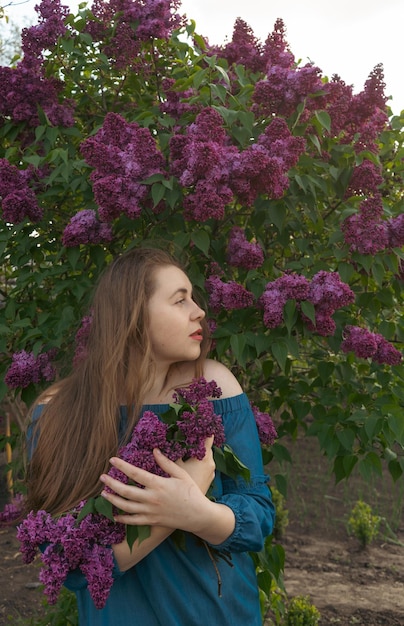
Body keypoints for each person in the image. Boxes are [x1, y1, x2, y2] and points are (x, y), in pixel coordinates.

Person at [25, 246, 275, 626]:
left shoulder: (213, 388)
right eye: (180, 300)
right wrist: (169, 515)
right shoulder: (57, 413)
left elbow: (258, 514)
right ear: (134, 316)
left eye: (193, 297)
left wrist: (199, 513)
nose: (199, 311)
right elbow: (70, 566)